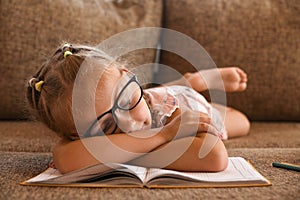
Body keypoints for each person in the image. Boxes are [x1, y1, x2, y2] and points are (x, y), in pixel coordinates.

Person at [27, 43, 250, 174]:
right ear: (74, 135)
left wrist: (112, 156)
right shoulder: (78, 132)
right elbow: (67, 159)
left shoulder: (169, 113)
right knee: (146, 102)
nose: (130, 123)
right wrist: (162, 136)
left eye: (126, 101)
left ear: (129, 75)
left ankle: (192, 83)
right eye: (108, 125)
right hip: (154, 100)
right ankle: (187, 83)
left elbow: (215, 156)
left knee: (240, 121)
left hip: (187, 109)